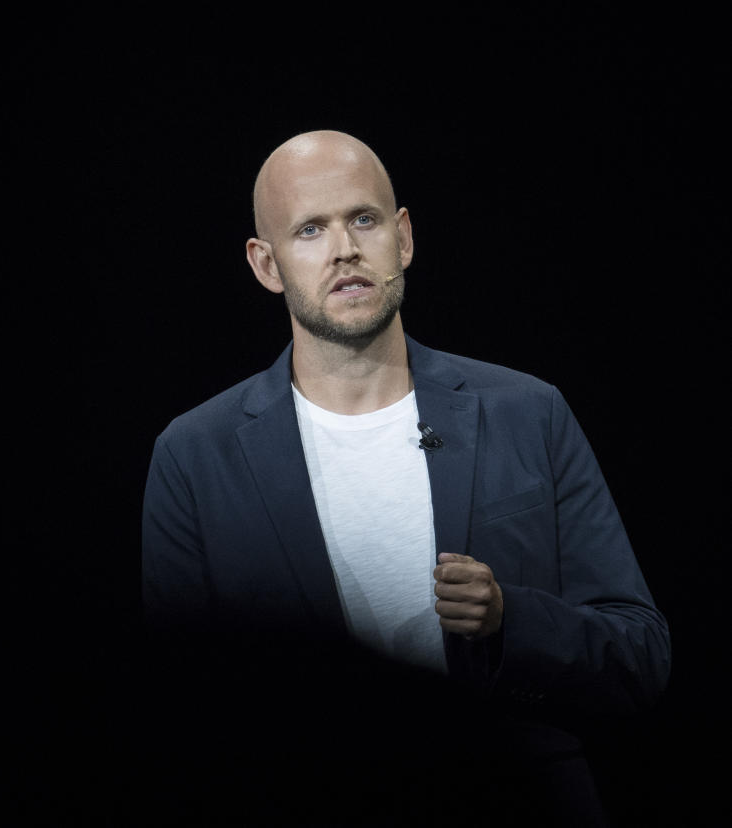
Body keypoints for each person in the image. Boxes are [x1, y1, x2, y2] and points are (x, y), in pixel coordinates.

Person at [137, 130, 670, 826]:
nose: (344, 249)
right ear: (266, 264)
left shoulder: (527, 412)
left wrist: (512, 619)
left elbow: (640, 655)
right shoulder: (195, 456)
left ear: (404, 236)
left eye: (362, 219)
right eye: (309, 229)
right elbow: (176, 718)